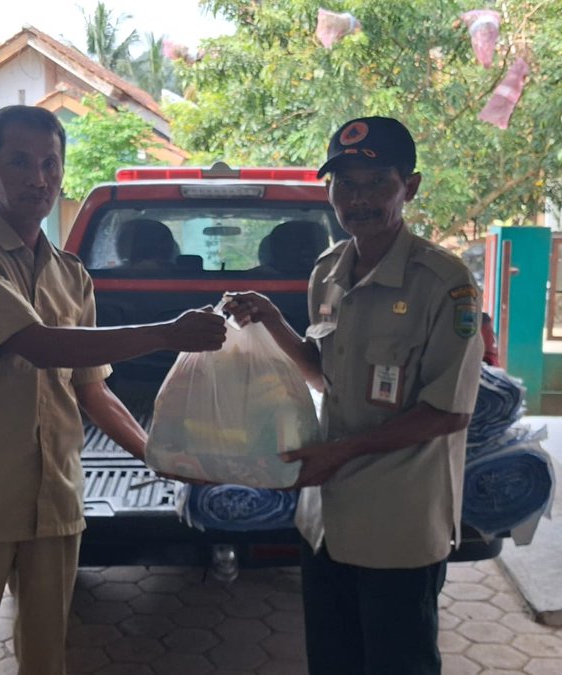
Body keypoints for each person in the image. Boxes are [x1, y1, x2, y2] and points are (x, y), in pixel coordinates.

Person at [0, 105, 226, 675]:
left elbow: (91, 391)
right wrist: (169, 334)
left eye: (50, 163)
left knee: (48, 656)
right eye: (20, 162)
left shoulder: (72, 274)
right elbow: (36, 344)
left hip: (55, 498)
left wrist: (158, 457)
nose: (38, 178)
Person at [226, 116, 484, 675]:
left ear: (408, 187)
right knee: (333, 659)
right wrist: (271, 319)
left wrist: (338, 454)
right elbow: (324, 376)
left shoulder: (445, 284)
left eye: (376, 183)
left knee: (397, 663)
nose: (358, 199)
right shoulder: (328, 272)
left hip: (398, 524)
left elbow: (449, 411)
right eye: (344, 185)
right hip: (327, 518)